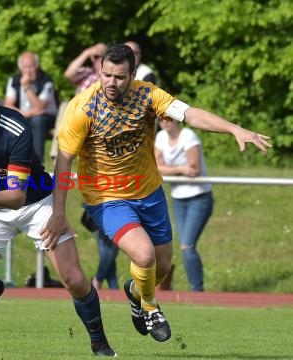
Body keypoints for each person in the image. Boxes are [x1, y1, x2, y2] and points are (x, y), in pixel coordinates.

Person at [42, 44, 271, 343]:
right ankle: (150, 307)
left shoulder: (149, 95)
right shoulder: (81, 108)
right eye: (106, 75)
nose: (111, 83)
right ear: (100, 71)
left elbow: (190, 114)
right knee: (144, 254)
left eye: (119, 77)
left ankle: (136, 294)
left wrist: (233, 129)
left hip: (149, 192)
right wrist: (58, 213)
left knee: (161, 267)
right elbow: (63, 163)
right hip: (106, 197)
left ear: (133, 75)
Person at [0, 70, 116, 357]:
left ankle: (99, 341)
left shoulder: (17, 129)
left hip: (34, 204)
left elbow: (15, 197)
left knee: (72, 278)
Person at [65, 42, 120, 289]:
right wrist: (87, 53)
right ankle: (107, 282)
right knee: (106, 238)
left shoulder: (120, 96)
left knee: (111, 239)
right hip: (96, 179)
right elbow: (68, 74)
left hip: (117, 178)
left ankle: (103, 281)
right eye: (96, 59)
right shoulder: (85, 94)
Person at [155, 117, 214, 292]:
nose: (165, 122)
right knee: (181, 246)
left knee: (187, 246)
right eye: (161, 119)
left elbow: (194, 169)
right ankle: (176, 286)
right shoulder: (160, 138)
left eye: (169, 118)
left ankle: (197, 291)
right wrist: (181, 169)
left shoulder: (188, 136)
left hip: (199, 196)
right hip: (178, 197)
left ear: (177, 120)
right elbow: (156, 167)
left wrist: (169, 169)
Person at [4, 51, 58, 163]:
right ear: (20, 67)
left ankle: (38, 163)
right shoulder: (14, 80)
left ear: (37, 66)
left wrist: (27, 87)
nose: (28, 70)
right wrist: (25, 114)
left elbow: (39, 107)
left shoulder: (46, 81)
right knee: (8, 119)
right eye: (25, 67)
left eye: (31, 66)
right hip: (26, 115)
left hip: (47, 117)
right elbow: (8, 105)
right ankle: (10, 161)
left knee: (38, 120)